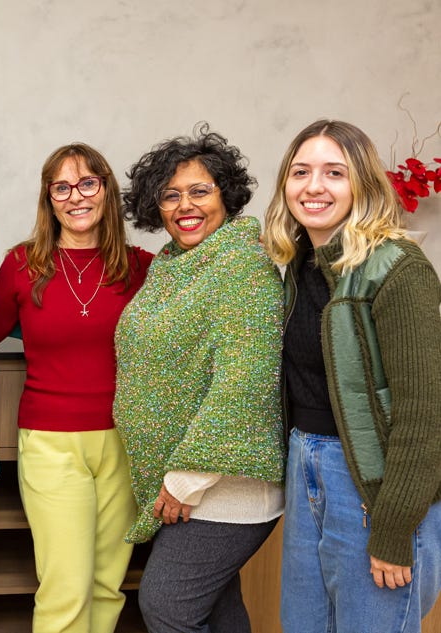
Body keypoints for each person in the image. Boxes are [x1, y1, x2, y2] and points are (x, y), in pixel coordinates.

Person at [263, 119, 441, 633]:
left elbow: (423, 418)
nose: (313, 186)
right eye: (300, 172)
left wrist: (392, 527)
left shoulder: (398, 268)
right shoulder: (299, 266)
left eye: (334, 173)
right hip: (307, 464)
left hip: (373, 484)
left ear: (362, 184)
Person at [113, 124, 286, 632]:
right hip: (193, 486)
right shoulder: (175, 265)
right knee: (217, 611)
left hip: (222, 486)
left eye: (199, 191)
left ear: (225, 196)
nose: (185, 206)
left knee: (166, 605)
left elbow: (244, 379)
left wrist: (187, 479)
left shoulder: (242, 265)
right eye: (170, 195)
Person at [0, 143, 151, 633]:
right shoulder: (21, 264)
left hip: (124, 441)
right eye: (62, 186)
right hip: (51, 442)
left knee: (107, 586)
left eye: (87, 183)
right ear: (49, 198)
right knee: (65, 590)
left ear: (106, 190)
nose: (75, 196)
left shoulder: (141, 267)